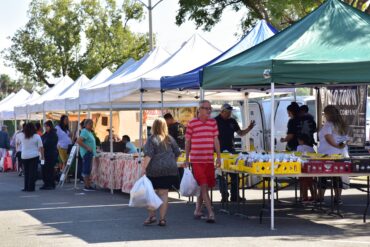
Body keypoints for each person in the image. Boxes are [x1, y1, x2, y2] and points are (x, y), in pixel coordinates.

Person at [185, 100, 221, 223]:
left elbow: (216, 140)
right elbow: (187, 141)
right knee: (204, 186)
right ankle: (211, 213)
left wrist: (219, 157)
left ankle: (197, 210)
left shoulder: (213, 123)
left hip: (209, 160)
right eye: (206, 108)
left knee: (204, 186)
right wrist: (186, 158)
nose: (209, 110)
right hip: (197, 160)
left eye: (210, 108)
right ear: (199, 109)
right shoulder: (192, 123)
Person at [142, 118, 181, 227]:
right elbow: (178, 153)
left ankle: (152, 216)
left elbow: (148, 155)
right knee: (164, 194)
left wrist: (143, 168)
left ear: (154, 126)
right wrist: (172, 162)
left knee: (150, 193)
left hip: (154, 170)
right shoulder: (170, 139)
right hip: (169, 169)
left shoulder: (151, 139)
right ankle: (162, 219)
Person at [215, 103, 255, 202]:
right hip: (219, 151)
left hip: (231, 151)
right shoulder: (215, 121)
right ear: (222, 111)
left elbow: (240, 133)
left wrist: (249, 128)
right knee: (221, 174)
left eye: (230, 112)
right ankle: (224, 195)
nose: (229, 114)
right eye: (227, 112)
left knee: (235, 173)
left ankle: (235, 195)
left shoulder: (232, 121)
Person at [317, 105, 348, 204]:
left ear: (327, 114)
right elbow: (346, 140)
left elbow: (328, 138)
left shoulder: (328, 125)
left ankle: (320, 198)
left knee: (323, 176)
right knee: (337, 176)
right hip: (340, 155)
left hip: (327, 155)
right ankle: (337, 198)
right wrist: (340, 147)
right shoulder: (341, 124)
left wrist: (337, 146)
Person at [20, 123, 44, 192]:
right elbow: (41, 147)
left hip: (24, 156)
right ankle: (31, 187)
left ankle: (26, 187)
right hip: (34, 156)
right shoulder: (37, 136)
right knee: (32, 172)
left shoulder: (22, 136)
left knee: (26, 172)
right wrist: (42, 156)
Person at [77, 119, 96, 191]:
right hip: (86, 153)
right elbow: (78, 141)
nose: (91, 125)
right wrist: (87, 147)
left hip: (89, 153)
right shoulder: (85, 131)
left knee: (88, 169)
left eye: (92, 123)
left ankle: (88, 185)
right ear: (85, 125)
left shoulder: (89, 132)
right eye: (90, 124)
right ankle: (86, 186)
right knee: (86, 169)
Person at [297, 134, 316, 203]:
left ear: (301, 141)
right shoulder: (311, 148)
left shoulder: (299, 147)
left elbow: (297, 156)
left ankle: (303, 197)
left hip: (302, 166)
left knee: (302, 183)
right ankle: (313, 196)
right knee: (310, 183)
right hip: (310, 167)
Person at [40, 120, 58, 190]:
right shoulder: (45, 134)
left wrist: (43, 145)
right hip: (44, 154)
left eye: (46, 126)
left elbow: (49, 144)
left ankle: (50, 184)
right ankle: (46, 183)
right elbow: (41, 141)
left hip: (50, 154)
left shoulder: (53, 134)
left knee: (49, 169)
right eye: (45, 126)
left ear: (50, 126)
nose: (45, 128)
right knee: (44, 169)